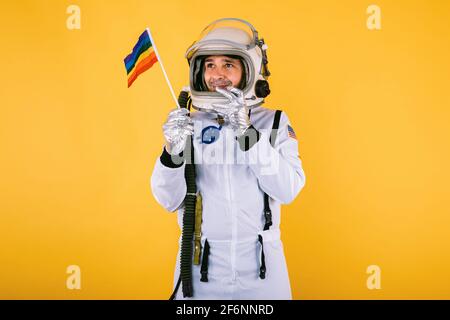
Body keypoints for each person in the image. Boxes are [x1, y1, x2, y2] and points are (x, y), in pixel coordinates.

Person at [150, 18, 306, 300]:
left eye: (228, 65)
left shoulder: (273, 123)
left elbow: (288, 189)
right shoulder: (188, 124)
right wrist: (172, 150)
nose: (217, 74)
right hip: (201, 268)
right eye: (209, 65)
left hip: (262, 268)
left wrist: (247, 133)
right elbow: (168, 200)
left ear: (250, 71)